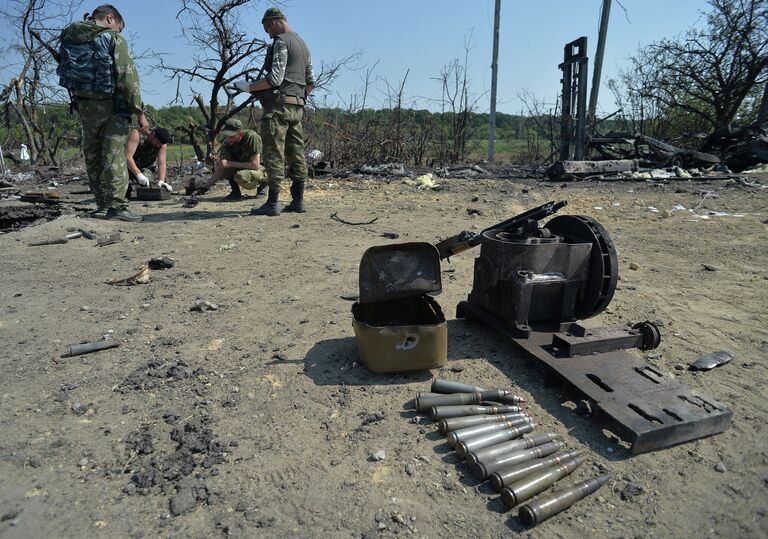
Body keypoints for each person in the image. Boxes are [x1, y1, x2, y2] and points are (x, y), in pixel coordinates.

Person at [57, 4, 148, 222]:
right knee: (114, 155)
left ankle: (101, 205)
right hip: (112, 106)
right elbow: (128, 78)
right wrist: (139, 111)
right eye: (119, 27)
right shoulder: (113, 39)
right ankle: (117, 207)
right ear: (110, 18)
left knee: (93, 155)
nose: (118, 32)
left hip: (85, 106)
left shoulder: (70, 37)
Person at [234, 7, 314, 216]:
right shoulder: (303, 45)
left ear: (274, 22)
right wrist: (299, 98)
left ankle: (272, 204)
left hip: (278, 107)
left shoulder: (281, 41)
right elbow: (311, 83)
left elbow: (275, 78)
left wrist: (249, 87)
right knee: (296, 153)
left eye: (268, 29)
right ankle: (298, 201)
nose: (269, 34)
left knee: (273, 154)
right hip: (297, 107)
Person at [185, 119, 267, 199]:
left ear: (241, 134)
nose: (228, 139)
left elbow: (255, 165)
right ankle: (235, 192)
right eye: (226, 136)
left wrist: (230, 163)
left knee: (241, 176)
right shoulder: (227, 144)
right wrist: (205, 187)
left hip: (261, 168)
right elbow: (220, 169)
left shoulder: (251, 137)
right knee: (225, 167)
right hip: (243, 166)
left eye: (231, 137)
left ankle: (263, 185)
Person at [125, 127, 173, 191]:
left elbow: (162, 164)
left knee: (148, 182)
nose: (158, 145)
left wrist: (161, 181)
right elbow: (128, 157)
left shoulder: (161, 145)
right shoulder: (137, 135)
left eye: (160, 144)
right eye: (157, 142)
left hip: (141, 169)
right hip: (126, 166)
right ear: (152, 135)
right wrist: (139, 175)